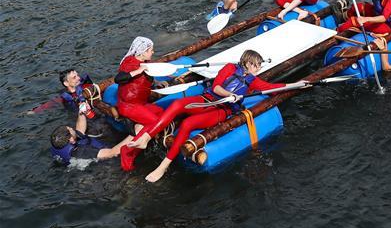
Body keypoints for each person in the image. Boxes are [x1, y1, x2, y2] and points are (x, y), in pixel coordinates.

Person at [139, 49, 305, 183]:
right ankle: (146, 137)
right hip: (207, 99)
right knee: (176, 105)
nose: (259, 70)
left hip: (222, 111)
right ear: (248, 63)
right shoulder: (229, 68)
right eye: (257, 66)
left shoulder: (253, 81)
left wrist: (296, 84)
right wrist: (229, 94)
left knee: (188, 124)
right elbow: (217, 87)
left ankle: (163, 166)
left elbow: (272, 86)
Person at [115, 36, 164, 171]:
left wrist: (157, 83)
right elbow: (118, 79)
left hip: (140, 104)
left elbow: (145, 78)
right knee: (156, 122)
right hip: (128, 106)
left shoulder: (145, 61)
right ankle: (128, 151)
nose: (153, 52)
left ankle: (138, 127)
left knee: (161, 112)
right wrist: (138, 71)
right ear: (142, 51)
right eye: (151, 50)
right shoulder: (129, 63)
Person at [50, 125, 128, 166]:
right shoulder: (83, 151)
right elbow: (112, 153)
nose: (72, 128)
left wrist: (82, 110)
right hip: (102, 165)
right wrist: (136, 134)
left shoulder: (57, 143)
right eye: (71, 129)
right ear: (71, 139)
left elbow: (79, 130)